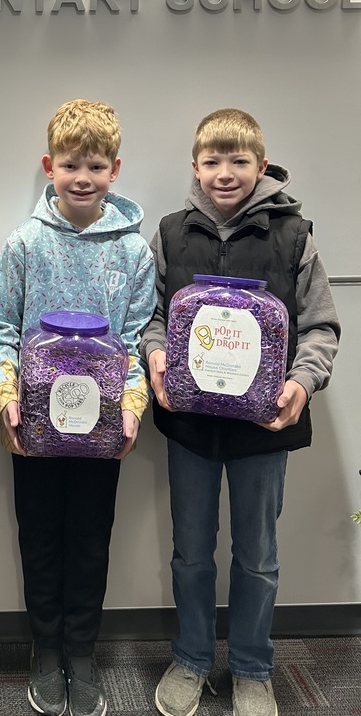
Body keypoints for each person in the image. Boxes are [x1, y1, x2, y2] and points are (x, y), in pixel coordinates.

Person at [140, 108, 340, 716]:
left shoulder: (294, 234)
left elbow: (321, 326)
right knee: (191, 550)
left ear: (261, 164)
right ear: (195, 168)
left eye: (239, 161)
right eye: (212, 162)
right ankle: (192, 659)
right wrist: (154, 361)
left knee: (257, 555)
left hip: (264, 428)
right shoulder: (172, 233)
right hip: (191, 426)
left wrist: (301, 385)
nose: (225, 174)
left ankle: (253, 668)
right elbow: (150, 319)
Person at [0, 98, 156, 716]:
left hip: (104, 427)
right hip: (33, 425)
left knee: (90, 538)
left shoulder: (134, 253)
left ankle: (81, 650)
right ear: (48, 166)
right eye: (71, 164)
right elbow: (1, 328)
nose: (83, 177)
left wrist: (133, 406)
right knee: (39, 538)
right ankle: (45, 650)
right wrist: (6, 396)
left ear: (115, 170)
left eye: (96, 165)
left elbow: (136, 342)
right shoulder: (25, 244)